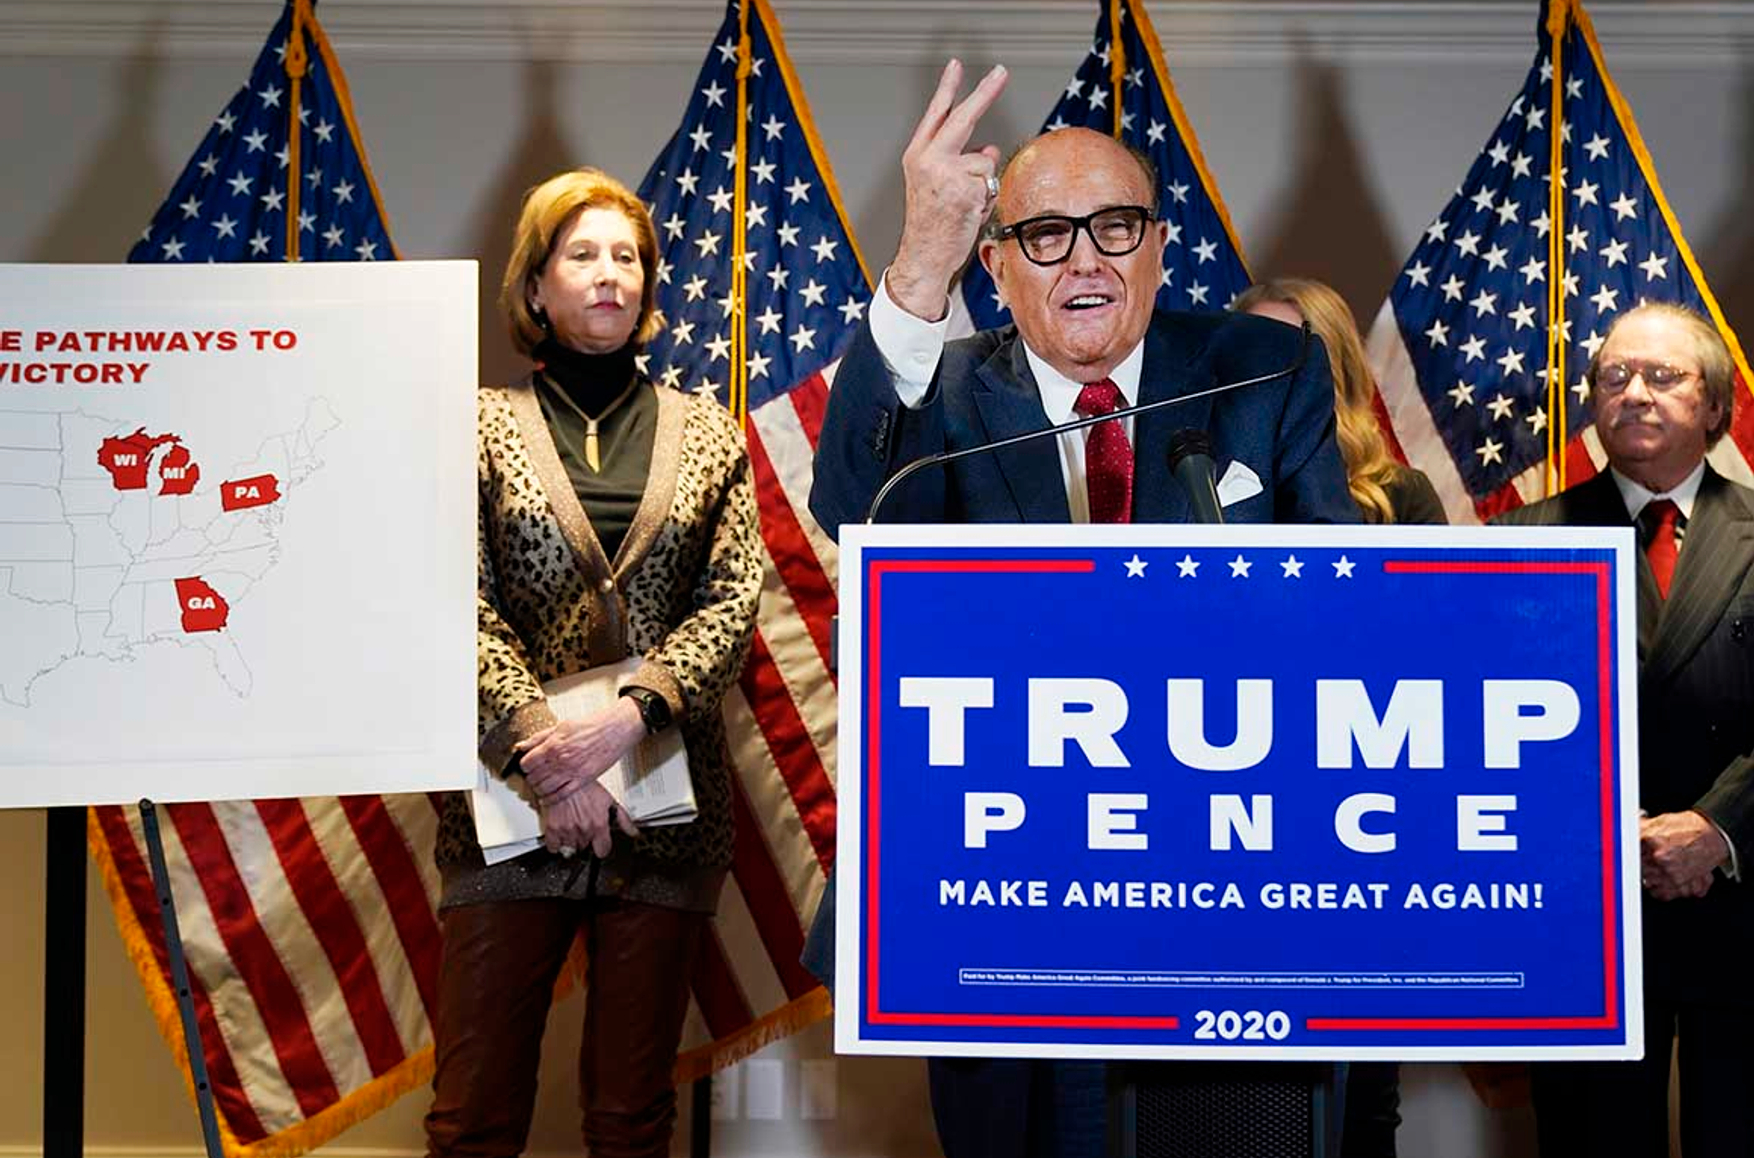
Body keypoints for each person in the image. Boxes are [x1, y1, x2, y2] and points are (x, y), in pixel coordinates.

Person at [806, 61, 1357, 1158]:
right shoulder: (942, 393)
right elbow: (851, 508)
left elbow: (1332, 599)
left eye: (1115, 227)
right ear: (997, 266)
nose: (1087, 258)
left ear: (1158, 246)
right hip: (995, 885)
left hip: (1216, 881)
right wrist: (921, 262)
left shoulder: (1262, 367)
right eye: (1046, 235)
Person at [425, 167, 762, 1158]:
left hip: (667, 809)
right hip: (508, 804)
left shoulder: (710, 432)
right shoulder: (471, 425)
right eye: (581, 255)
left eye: (627, 256)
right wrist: (549, 755)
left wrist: (624, 721)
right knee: (473, 1115)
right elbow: (449, 598)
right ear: (535, 285)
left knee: (630, 1118)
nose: (609, 274)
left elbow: (733, 599)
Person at [1497, 302, 1754, 1157]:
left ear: (1715, 406)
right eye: (1615, 376)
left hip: (1739, 893)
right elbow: (1492, 730)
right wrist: (1613, 832)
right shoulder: (1519, 540)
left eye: (1663, 376)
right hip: (1588, 909)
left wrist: (1717, 828)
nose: (1635, 393)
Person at [1237, 277, 1448, 1158]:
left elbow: (1435, 665)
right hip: (1224, 836)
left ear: (1341, 370)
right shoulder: (1185, 485)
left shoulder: (1401, 499)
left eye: (1298, 353)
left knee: (1358, 1098)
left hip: (1353, 836)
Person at [1237, 277, 1446, 527]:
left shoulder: (1403, 495)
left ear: (1337, 369)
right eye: (1254, 350)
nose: (1268, 370)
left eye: (1289, 351)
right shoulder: (1203, 482)